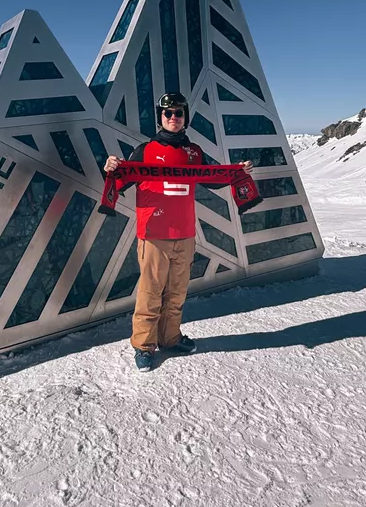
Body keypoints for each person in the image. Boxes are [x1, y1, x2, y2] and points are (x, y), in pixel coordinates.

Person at [103, 92, 254, 373]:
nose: (174, 117)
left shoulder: (194, 152)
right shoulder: (146, 150)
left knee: (176, 292)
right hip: (154, 234)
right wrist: (111, 167)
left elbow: (213, 178)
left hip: (184, 233)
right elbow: (120, 181)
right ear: (160, 117)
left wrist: (237, 171)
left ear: (186, 117)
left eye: (179, 113)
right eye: (168, 113)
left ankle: (169, 338)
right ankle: (143, 345)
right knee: (151, 292)